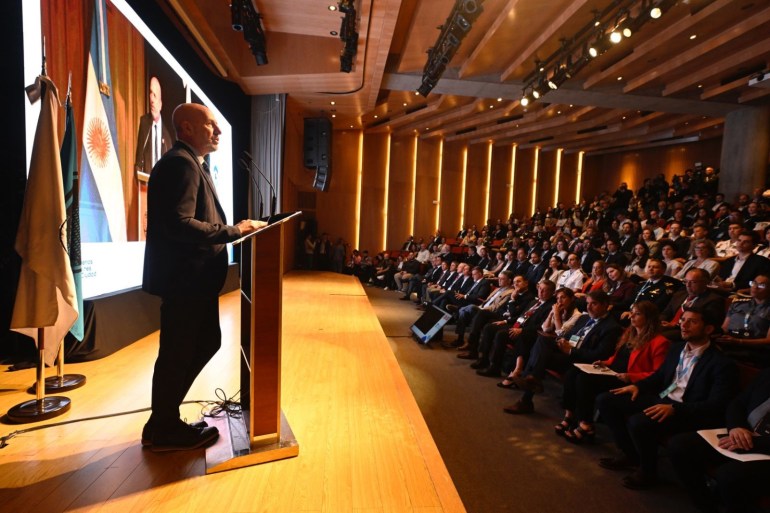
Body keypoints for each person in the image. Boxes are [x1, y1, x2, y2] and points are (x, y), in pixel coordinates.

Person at [142, 103, 266, 451]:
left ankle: (161, 421)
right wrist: (232, 231)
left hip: (192, 281)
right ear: (187, 128)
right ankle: (165, 426)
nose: (219, 131)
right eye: (211, 125)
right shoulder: (181, 163)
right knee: (178, 353)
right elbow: (179, 224)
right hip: (186, 282)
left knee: (199, 343)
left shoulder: (189, 162)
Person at [595, 307, 739, 490]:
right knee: (606, 400)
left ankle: (648, 472)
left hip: (686, 410)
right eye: (683, 320)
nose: (683, 325)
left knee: (639, 423)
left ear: (709, 329)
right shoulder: (677, 348)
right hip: (664, 398)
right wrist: (637, 386)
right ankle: (631, 454)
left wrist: (675, 409)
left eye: (692, 322)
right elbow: (660, 375)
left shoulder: (721, 363)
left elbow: (717, 404)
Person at [557, 301, 671, 444]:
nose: (632, 317)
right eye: (632, 313)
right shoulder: (630, 332)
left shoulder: (659, 342)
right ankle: (572, 415)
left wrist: (631, 376)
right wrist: (605, 362)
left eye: (637, 314)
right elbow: (618, 357)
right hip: (612, 371)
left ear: (649, 318)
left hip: (627, 379)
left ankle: (585, 424)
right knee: (573, 372)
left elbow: (658, 373)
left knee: (584, 380)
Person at [667, 367, 770, 513]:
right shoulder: (767, 373)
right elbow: (738, 402)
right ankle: (705, 504)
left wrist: (752, 443)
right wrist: (736, 427)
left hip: (763, 447)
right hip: (746, 432)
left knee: (729, 476)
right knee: (680, 445)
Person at [504, 290, 622, 414]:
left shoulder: (611, 327)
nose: (589, 307)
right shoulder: (584, 318)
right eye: (588, 303)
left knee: (540, 358)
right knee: (543, 340)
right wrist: (562, 343)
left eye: (594, 304)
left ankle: (527, 394)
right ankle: (531, 381)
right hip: (567, 349)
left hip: (579, 359)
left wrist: (571, 350)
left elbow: (600, 355)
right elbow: (567, 336)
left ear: (605, 305)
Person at [135, 76, 173, 174]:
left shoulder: (167, 137)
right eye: (150, 93)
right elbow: (138, 162)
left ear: (160, 104)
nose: (151, 99)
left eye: (155, 95)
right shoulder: (144, 123)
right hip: (145, 185)